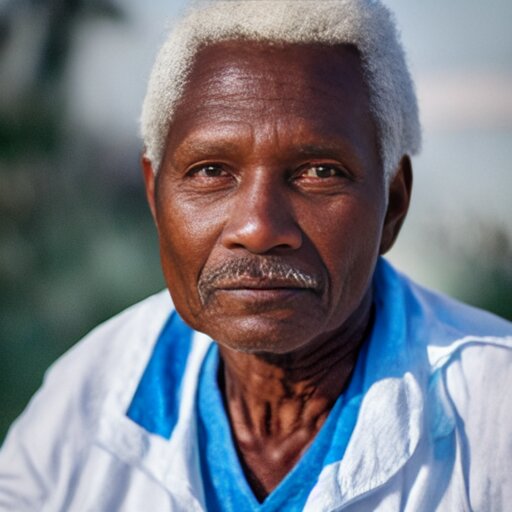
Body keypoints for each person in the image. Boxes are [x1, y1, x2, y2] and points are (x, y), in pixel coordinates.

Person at [1, 0, 511, 510]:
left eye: (320, 171)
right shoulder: (89, 394)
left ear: (394, 204)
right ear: (155, 197)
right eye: (210, 171)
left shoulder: (494, 412)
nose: (258, 227)